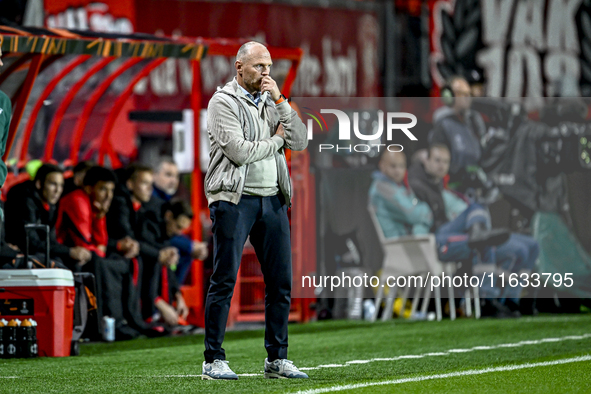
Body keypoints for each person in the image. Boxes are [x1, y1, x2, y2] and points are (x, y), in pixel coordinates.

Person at [202, 41, 308, 380]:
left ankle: (276, 359)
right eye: (259, 66)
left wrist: (280, 101)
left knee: (280, 283)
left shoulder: (272, 100)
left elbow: (302, 140)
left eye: (269, 66)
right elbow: (239, 152)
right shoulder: (222, 102)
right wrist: (278, 140)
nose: (266, 72)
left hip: (273, 199)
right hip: (234, 199)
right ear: (239, 67)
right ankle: (213, 359)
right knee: (224, 279)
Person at [409, 144, 537, 317]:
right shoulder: (415, 183)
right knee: (476, 213)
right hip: (435, 238)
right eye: (437, 160)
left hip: (454, 233)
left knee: (530, 246)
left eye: (445, 162)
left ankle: (510, 301)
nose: (441, 165)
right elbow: (418, 218)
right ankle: (490, 298)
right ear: (426, 161)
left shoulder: (438, 186)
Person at [56, 166, 146, 339]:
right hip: (65, 255)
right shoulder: (78, 200)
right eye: (103, 189)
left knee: (122, 261)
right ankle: (104, 323)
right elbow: (85, 244)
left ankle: (128, 320)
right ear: (89, 188)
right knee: (100, 263)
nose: (108, 195)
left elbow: (101, 245)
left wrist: (99, 216)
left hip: (85, 255)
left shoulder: (94, 205)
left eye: (111, 190)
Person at [106, 164, 181, 326]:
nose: (149, 189)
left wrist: (163, 251)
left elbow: (144, 239)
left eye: (150, 184)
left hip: (125, 251)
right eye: (144, 184)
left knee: (157, 257)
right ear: (130, 185)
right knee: (144, 259)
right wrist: (158, 253)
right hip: (111, 250)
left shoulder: (140, 207)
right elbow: (128, 237)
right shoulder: (120, 203)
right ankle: (141, 315)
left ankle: (151, 314)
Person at [4, 164, 91, 267]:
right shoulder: (24, 200)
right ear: (39, 184)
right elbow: (31, 243)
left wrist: (72, 252)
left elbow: (50, 240)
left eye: (61, 185)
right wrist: (69, 251)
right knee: (58, 263)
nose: (58, 190)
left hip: (37, 252)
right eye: (53, 184)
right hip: (20, 254)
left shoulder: (50, 203)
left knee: (76, 262)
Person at [147, 157, 208, 284]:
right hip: (150, 252)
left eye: (176, 176)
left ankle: (173, 294)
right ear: (154, 176)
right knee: (183, 253)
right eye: (168, 175)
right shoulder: (151, 201)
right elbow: (161, 234)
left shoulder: (165, 199)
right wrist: (191, 246)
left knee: (184, 254)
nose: (173, 180)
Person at [368, 150, 432, 238]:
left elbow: (415, 205)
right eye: (393, 166)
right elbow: (412, 214)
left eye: (401, 166)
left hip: (406, 239)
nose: (398, 171)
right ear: (382, 166)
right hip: (397, 243)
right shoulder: (382, 188)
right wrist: (427, 212)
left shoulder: (397, 185)